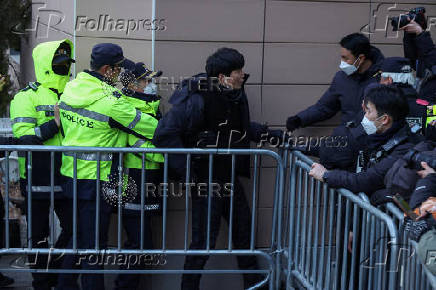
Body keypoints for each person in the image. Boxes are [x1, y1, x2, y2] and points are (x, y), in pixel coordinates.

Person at [153, 47, 273, 290]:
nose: (243, 75)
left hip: (228, 177)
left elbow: (238, 128)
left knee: (244, 236)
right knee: (203, 242)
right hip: (205, 180)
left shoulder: (234, 93)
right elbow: (164, 135)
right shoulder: (197, 97)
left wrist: (274, 135)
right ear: (222, 77)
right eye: (238, 71)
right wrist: (189, 175)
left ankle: (255, 286)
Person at [57, 43, 159, 290]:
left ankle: (63, 285)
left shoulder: (71, 87)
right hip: (96, 182)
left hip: (70, 177)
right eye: (118, 69)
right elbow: (153, 128)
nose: (122, 74)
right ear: (106, 69)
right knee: (93, 248)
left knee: (78, 241)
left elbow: (59, 117)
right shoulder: (110, 100)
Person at [10, 39, 75, 290]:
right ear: (45, 65)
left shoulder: (72, 93)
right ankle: (41, 282)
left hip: (68, 175)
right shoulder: (26, 96)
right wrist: (54, 124)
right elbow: (23, 138)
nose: (64, 68)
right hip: (37, 178)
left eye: (66, 64)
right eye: (58, 64)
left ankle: (54, 274)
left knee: (75, 230)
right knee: (37, 237)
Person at [309, 85, 420, 197]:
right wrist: (302, 146)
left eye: (368, 112)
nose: (364, 117)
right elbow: (342, 146)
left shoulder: (405, 148)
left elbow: (367, 180)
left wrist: (326, 175)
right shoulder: (376, 133)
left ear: (384, 119)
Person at [114, 61, 164, 289]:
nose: (151, 85)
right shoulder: (125, 108)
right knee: (139, 244)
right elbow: (134, 144)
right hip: (132, 183)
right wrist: (168, 155)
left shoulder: (151, 107)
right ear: (133, 84)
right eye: (147, 80)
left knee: (143, 244)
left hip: (150, 182)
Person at [286, 33, 384, 132]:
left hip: (375, 141)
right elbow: (325, 107)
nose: (342, 62)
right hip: (347, 138)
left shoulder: (384, 79)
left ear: (361, 58)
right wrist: (299, 119)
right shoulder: (341, 78)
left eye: (346, 58)